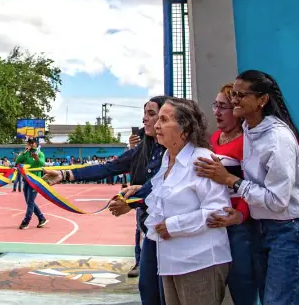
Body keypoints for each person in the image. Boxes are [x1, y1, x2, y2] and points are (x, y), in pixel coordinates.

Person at [195, 70, 299, 305]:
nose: (234, 100)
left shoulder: (276, 138)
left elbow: (277, 201)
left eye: (241, 95)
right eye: (234, 95)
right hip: (262, 228)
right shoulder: (251, 130)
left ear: (262, 100)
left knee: (280, 301)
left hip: (288, 230)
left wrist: (230, 180)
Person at [44, 96, 168, 305]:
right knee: (148, 288)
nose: (145, 119)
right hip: (151, 230)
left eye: (152, 114)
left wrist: (133, 200)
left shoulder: (177, 152)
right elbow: (109, 167)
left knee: (168, 293)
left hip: (172, 232)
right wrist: (66, 174)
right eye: (144, 114)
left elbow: (166, 186)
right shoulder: (144, 148)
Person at [145, 98, 231, 305]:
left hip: (200, 262)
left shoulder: (201, 160)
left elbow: (218, 212)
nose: (157, 124)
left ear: (185, 128)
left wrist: (172, 226)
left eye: (164, 119)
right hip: (170, 261)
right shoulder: (167, 159)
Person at [206, 84, 258, 305]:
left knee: (242, 287)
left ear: (236, 110)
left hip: (239, 229)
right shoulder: (213, 139)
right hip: (214, 225)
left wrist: (240, 216)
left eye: (223, 107)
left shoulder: (248, 142)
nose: (216, 112)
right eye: (215, 106)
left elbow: (254, 183)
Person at [15, 138, 48, 230]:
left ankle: (26, 221)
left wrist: (37, 158)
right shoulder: (27, 154)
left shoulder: (40, 153)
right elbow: (17, 161)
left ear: (35, 143)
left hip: (35, 180)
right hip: (26, 179)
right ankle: (42, 218)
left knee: (30, 202)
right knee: (29, 201)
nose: (30, 144)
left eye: (31, 143)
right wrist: (24, 152)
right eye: (28, 143)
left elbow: (42, 164)